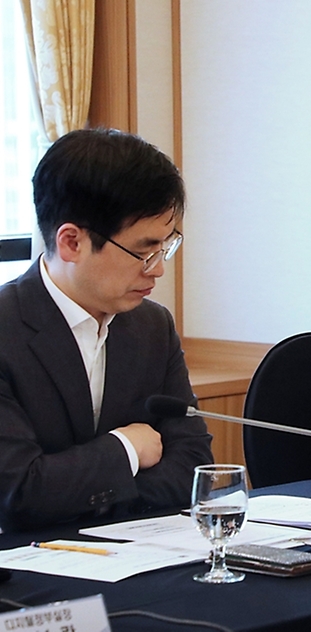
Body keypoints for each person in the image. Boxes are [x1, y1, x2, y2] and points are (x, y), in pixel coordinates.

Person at [0, 128, 213, 532]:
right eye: (143, 251)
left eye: (165, 246)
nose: (158, 268)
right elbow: (19, 492)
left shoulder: (152, 326)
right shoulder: (6, 329)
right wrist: (126, 449)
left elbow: (192, 465)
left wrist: (84, 497)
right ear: (71, 243)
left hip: (137, 555)